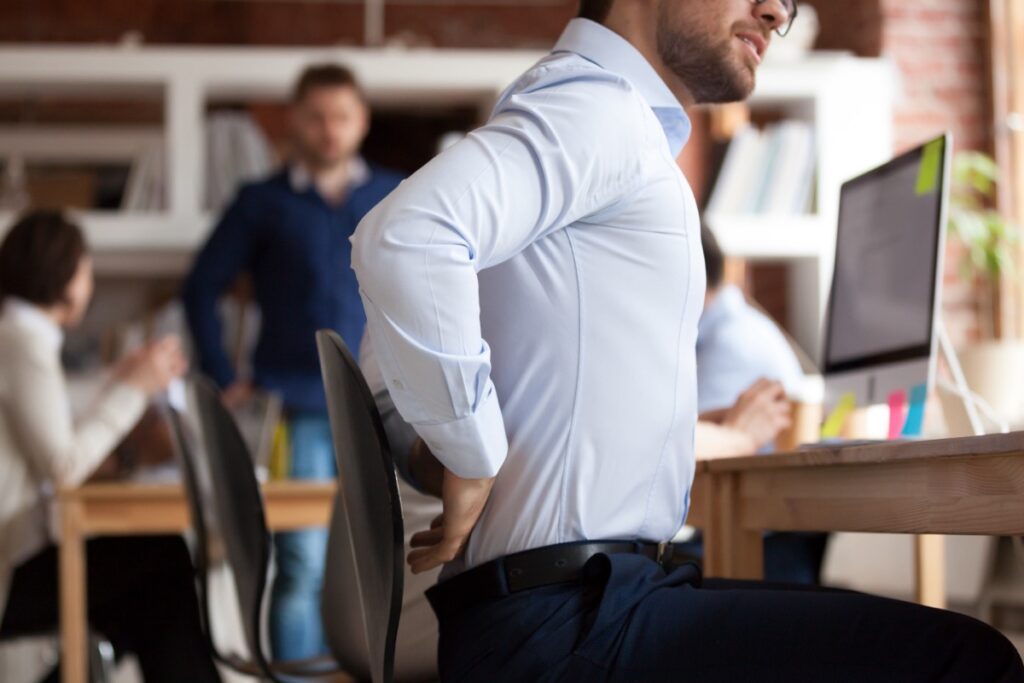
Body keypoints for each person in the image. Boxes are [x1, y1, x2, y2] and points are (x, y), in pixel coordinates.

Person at [351, 1, 1024, 680]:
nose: (777, 12)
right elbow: (405, 238)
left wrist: (446, 450)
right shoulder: (599, 108)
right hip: (568, 627)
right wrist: (471, 451)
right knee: (966, 659)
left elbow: (391, 347)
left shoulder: (589, 114)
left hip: (563, 613)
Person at [182, 63, 403, 660]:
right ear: (294, 121)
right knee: (300, 561)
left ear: (362, 122)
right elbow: (200, 287)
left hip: (384, 410)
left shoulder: (393, 192)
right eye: (317, 117)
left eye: (342, 117)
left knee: (381, 562)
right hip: (295, 408)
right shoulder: (261, 201)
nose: (330, 130)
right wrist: (223, 377)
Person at [0, 210, 219, 683]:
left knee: (149, 590)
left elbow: (49, 449)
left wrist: (119, 383)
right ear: (67, 274)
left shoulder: (18, 335)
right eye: (86, 268)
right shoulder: (22, 339)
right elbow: (62, 466)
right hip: (7, 572)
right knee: (160, 562)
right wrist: (135, 388)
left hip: (14, 558)